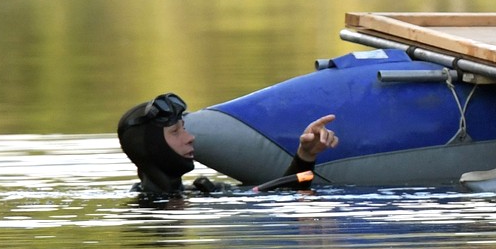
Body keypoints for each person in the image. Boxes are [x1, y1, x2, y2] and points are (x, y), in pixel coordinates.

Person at [117, 92, 338, 199]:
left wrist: (306, 155)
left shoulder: (201, 192)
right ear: (153, 148)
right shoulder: (148, 208)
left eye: (184, 128)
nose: (190, 137)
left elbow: (285, 195)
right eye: (176, 132)